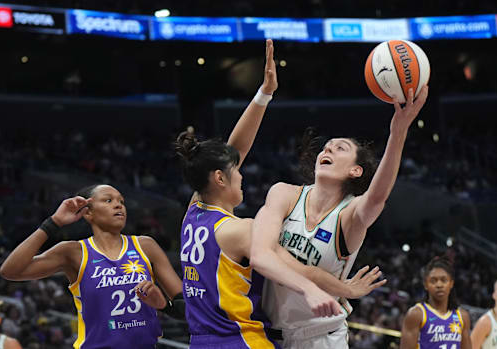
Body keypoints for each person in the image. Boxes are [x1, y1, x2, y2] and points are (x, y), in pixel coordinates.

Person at [175, 39, 385, 349]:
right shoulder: (243, 230)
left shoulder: (193, 212)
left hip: (202, 340)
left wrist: (264, 93)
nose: (243, 173)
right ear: (219, 179)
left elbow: (233, 152)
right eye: (235, 172)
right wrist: (340, 289)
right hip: (241, 339)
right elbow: (298, 268)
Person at [249, 84, 428, 348]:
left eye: (339, 148)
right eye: (326, 148)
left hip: (321, 339)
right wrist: (333, 287)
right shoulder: (284, 194)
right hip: (269, 337)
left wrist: (398, 130)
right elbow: (261, 255)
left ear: (355, 171)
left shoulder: (349, 215)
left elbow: (377, 197)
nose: (327, 150)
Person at [0, 184, 183, 349]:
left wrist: (164, 305)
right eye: (108, 200)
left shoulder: (145, 246)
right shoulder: (74, 252)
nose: (119, 205)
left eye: (121, 201)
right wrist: (53, 223)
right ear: (88, 213)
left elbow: (188, 308)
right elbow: (10, 271)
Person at [400, 256, 471, 349]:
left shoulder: (462, 316)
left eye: (444, 280)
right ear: (426, 284)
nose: (439, 285)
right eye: (433, 281)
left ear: (451, 283)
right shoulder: (416, 314)